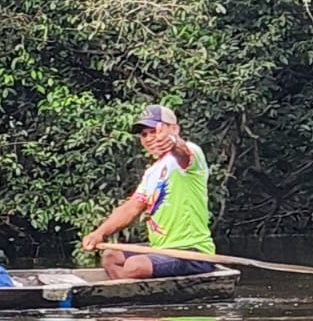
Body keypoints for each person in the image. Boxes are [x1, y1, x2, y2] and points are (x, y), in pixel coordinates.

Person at [81, 104, 215, 280]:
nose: (150, 138)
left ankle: (126, 292)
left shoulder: (190, 154)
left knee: (135, 266)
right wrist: (100, 233)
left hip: (191, 252)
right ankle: (128, 291)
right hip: (161, 250)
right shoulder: (152, 173)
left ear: (174, 128)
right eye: (144, 134)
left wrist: (173, 141)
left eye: (154, 131)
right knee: (110, 256)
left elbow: (183, 152)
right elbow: (132, 207)